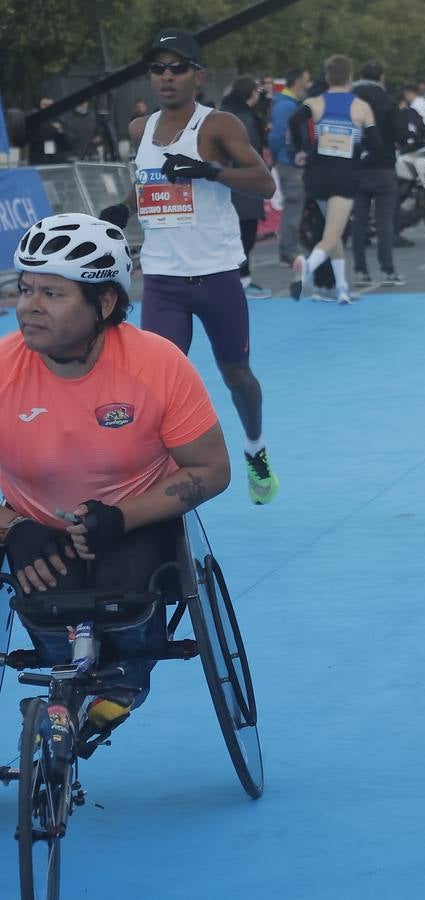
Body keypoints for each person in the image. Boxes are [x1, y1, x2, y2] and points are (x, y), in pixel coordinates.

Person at [2, 213, 230, 742]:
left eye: (53, 294)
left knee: (125, 593)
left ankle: (124, 681)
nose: (29, 305)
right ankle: (63, 687)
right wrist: (13, 527)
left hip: (133, 519)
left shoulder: (157, 365)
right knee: (44, 598)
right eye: (25, 288)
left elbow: (212, 469)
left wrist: (122, 516)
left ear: (104, 304)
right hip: (35, 527)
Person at [120, 29, 279, 506]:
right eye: (158, 69)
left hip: (215, 275)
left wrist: (210, 171)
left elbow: (264, 184)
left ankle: (255, 448)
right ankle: (154, 474)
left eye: (177, 67)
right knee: (157, 383)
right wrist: (121, 209)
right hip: (163, 280)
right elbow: (146, 182)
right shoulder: (139, 129)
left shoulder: (219, 125)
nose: (167, 77)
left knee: (237, 377)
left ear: (197, 75)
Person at [287, 54, 378, 304]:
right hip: (344, 177)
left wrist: (301, 149)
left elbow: (294, 120)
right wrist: (360, 156)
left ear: (327, 77)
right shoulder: (360, 107)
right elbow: (377, 144)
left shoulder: (315, 102)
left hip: (318, 176)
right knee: (331, 235)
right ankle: (307, 267)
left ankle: (342, 288)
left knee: (333, 231)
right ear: (350, 77)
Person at [350, 59, 404, 288]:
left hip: (356, 166)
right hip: (383, 166)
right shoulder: (387, 100)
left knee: (359, 221)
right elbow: (400, 133)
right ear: (381, 76)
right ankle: (387, 269)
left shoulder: (351, 99)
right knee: (384, 220)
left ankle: (360, 270)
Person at [220, 76, 272, 301]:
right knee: (244, 234)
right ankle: (241, 279)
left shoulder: (226, 114)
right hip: (242, 183)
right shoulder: (243, 120)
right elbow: (252, 151)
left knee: (239, 233)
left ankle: (241, 277)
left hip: (230, 182)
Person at [269, 67, 310, 266]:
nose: (307, 85)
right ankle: (288, 250)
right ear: (298, 81)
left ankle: (289, 248)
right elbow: (277, 136)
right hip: (290, 162)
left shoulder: (286, 104)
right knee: (293, 206)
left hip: (287, 160)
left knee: (293, 206)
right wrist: (283, 158)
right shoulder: (286, 106)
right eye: (306, 80)